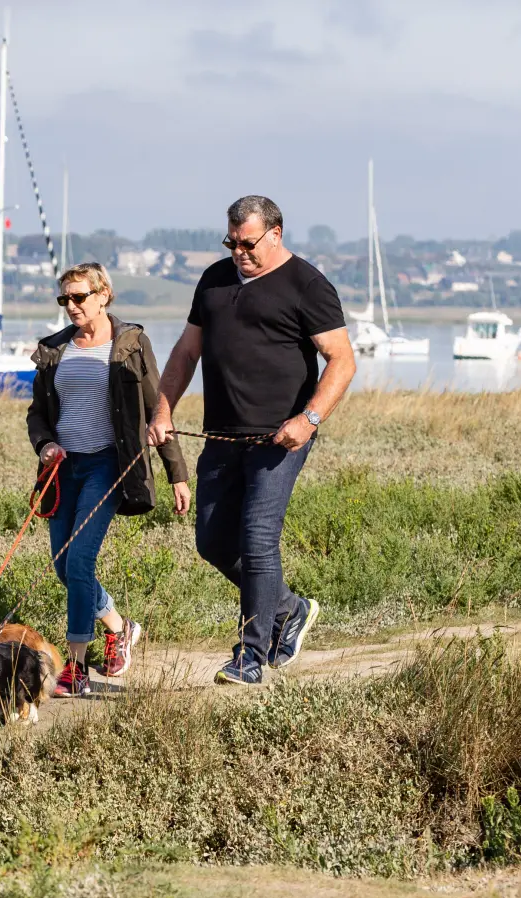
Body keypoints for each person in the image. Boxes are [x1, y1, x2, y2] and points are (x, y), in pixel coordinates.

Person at [148, 196, 357, 685]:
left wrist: (308, 419)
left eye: (248, 243)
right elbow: (187, 350)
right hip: (222, 434)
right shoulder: (214, 280)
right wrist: (163, 408)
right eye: (232, 242)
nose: (239, 252)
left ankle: (251, 656)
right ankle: (289, 608)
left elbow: (342, 361)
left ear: (276, 233)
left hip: (281, 438)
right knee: (212, 541)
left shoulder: (308, 285)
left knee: (258, 540)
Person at [26, 263, 190, 697]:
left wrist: (177, 473)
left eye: (79, 297)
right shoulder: (54, 349)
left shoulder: (130, 344)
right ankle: (120, 626)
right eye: (65, 299)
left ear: (103, 295)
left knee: (80, 562)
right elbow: (37, 414)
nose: (72, 306)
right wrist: (44, 444)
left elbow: (160, 408)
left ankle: (76, 668)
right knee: (64, 566)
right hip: (62, 469)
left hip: (108, 466)